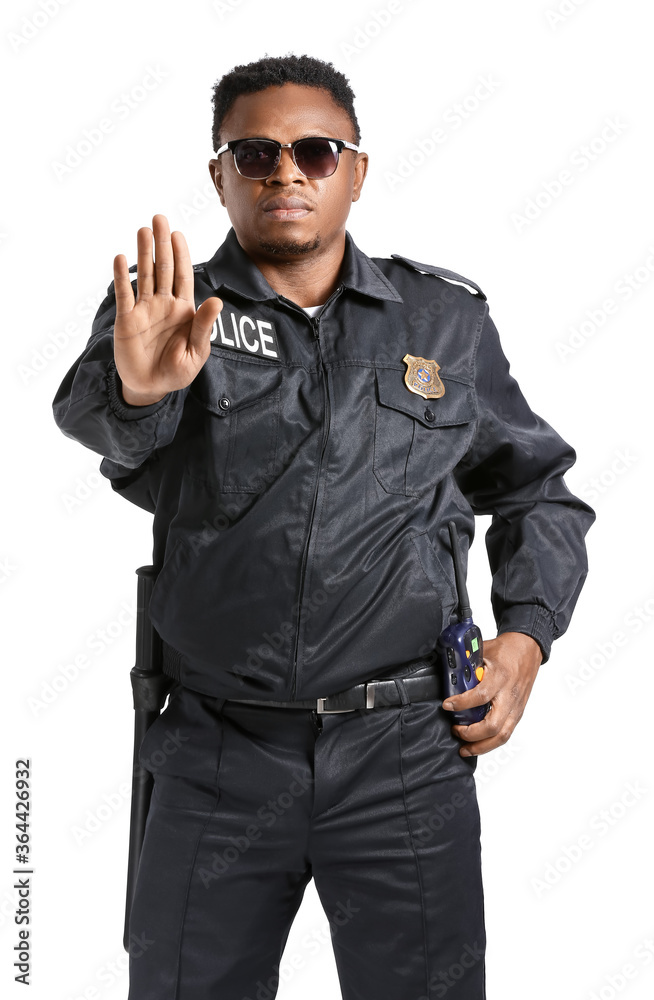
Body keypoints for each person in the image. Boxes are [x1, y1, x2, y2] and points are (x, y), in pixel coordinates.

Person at [52, 53, 594, 1000]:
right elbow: (99, 419)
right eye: (255, 153)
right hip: (217, 754)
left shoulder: (442, 320)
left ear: (356, 170)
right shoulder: (173, 311)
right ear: (220, 174)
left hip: (406, 758)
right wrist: (140, 386)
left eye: (315, 150)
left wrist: (526, 642)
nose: (286, 173)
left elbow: (538, 488)